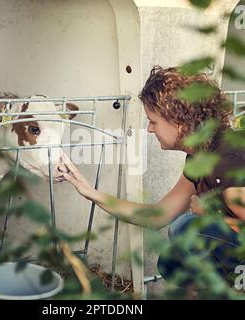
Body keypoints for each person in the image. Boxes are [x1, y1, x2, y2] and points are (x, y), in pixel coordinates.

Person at [62, 66, 245, 288]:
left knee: (186, 227)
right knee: (171, 263)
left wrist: (209, 217)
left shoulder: (228, 161)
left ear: (179, 121)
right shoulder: (200, 157)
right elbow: (156, 216)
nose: (150, 129)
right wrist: (90, 192)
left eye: (153, 120)